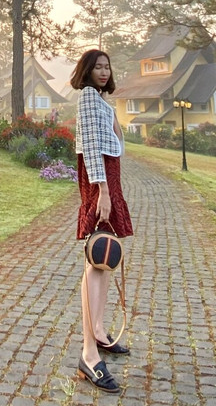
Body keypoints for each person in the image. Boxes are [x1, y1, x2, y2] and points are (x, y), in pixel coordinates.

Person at [70, 49, 133, 394]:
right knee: (97, 260)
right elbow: (93, 148)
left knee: (105, 259)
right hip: (100, 179)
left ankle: (98, 332)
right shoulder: (87, 97)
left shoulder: (99, 100)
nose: (104, 71)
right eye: (98, 67)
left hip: (108, 176)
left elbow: (116, 143)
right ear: (87, 71)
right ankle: (89, 355)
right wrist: (103, 192)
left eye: (108, 66)